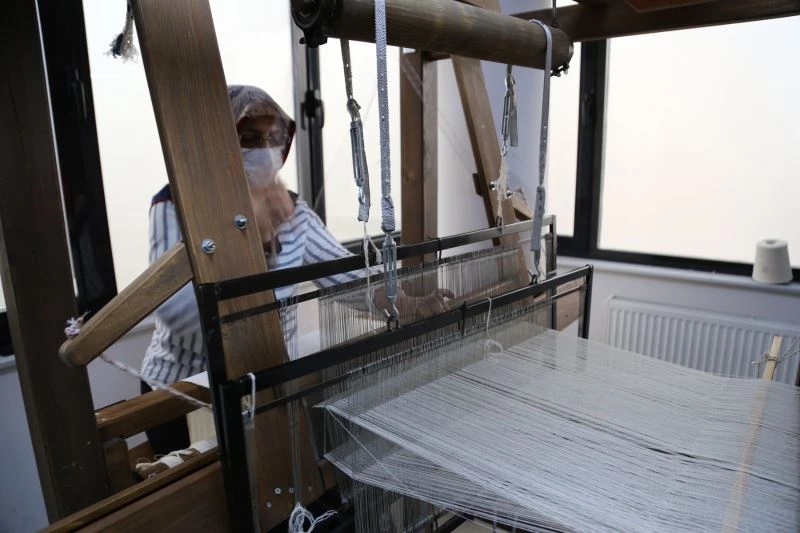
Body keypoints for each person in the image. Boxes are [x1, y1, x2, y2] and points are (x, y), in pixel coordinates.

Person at [140, 85, 451, 455]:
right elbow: (178, 314)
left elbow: (349, 280)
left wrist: (408, 304)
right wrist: (252, 237)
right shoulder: (175, 207)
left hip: (259, 383)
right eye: (250, 138)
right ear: (219, 142)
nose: (265, 150)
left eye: (273, 139)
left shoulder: (291, 212)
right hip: (184, 392)